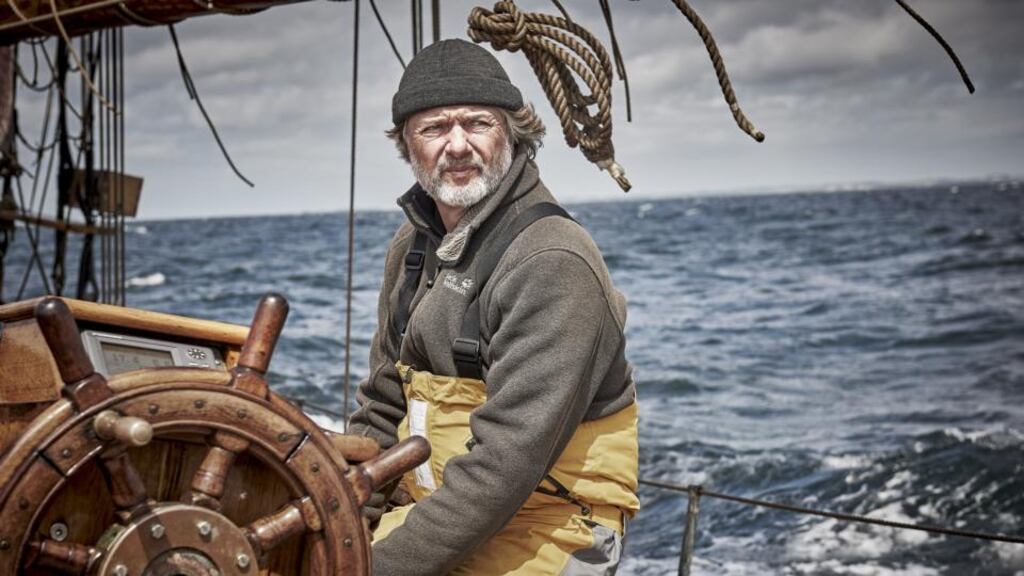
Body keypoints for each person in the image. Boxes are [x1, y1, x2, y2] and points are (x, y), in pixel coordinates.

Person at [347, 38, 639, 575]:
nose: (457, 145)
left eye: (477, 123)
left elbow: (504, 466)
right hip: (440, 508)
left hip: (549, 524)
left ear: (512, 131)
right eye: (434, 129)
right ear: (407, 146)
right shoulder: (411, 247)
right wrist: (341, 520)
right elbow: (384, 405)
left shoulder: (551, 260)